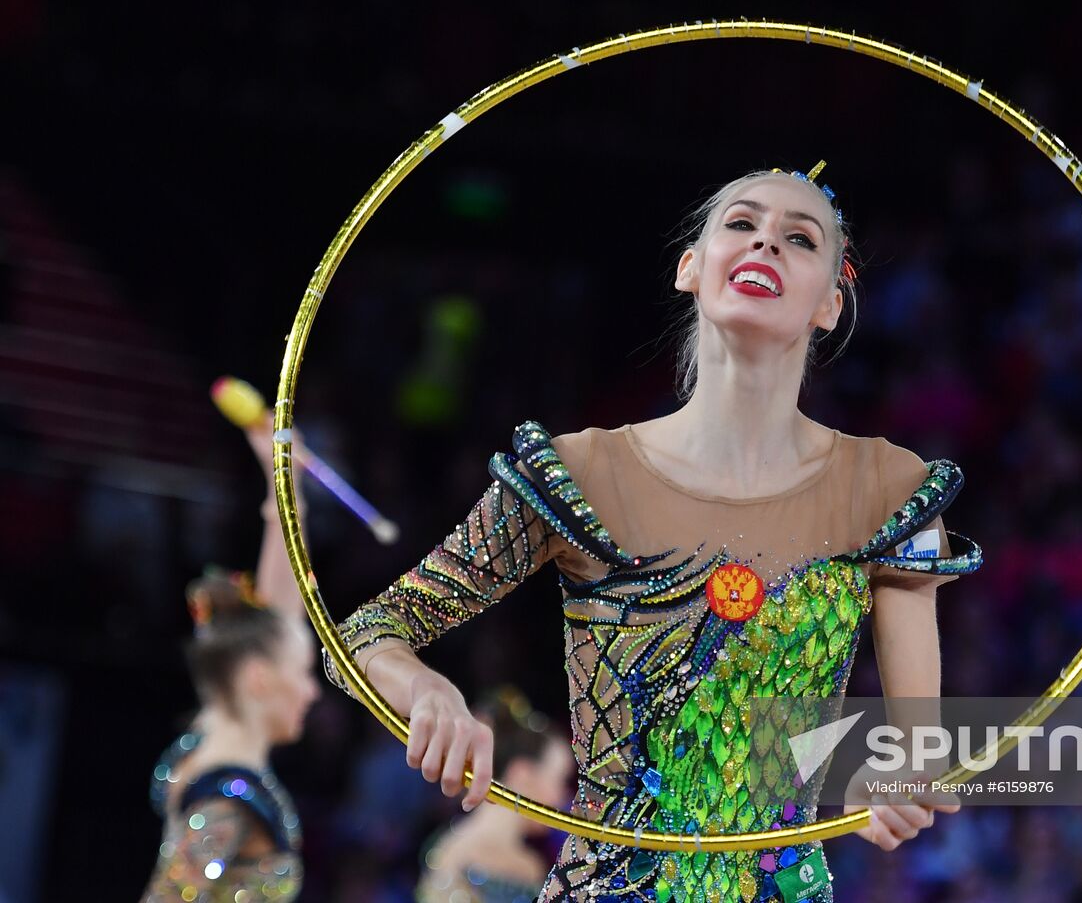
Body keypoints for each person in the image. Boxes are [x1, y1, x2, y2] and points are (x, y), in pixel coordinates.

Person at [324, 166, 982, 902]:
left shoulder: (890, 490)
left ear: (830, 304)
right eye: (741, 223)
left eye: (800, 238)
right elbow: (364, 633)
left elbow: (918, 744)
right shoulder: (578, 474)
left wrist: (901, 770)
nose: (765, 239)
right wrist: (425, 689)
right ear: (690, 269)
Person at [141, 419, 321, 902]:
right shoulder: (228, 795)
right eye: (303, 675)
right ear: (260, 680)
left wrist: (283, 483)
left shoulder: (211, 733)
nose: (312, 691)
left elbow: (279, 618)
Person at [417, 688, 575, 903]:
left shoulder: (446, 844)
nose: (564, 796)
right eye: (559, 780)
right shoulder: (514, 865)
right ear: (523, 775)